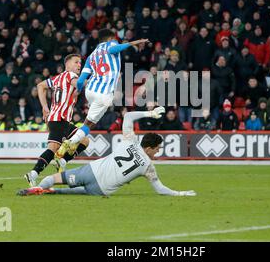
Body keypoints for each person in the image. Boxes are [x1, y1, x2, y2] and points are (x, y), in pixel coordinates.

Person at [17, 107, 196, 197]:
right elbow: (160, 189)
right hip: (100, 190)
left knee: (52, 179)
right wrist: (180, 194)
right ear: (149, 148)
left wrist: (150, 113)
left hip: (91, 171)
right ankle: (50, 191)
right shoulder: (148, 167)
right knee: (65, 191)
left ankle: (36, 188)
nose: (157, 152)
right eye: (157, 149)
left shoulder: (129, 140)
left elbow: (128, 116)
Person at [57, 29, 148, 156]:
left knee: (88, 122)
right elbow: (114, 49)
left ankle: (73, 142)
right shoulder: (110, 44)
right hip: (103, 93)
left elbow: (81, 79)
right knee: (90, 124)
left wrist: (77, 90)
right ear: (110, 38)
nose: (116, 40)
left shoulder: (92, 55)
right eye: (115, 38)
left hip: (90, 91)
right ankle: (70, 142)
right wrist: (134, 42)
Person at [24, 54, 89, 187]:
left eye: (80, 63)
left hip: (62, 120)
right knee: (53, 148)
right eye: (76, 62)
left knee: (84, 140)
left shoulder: (57, 78)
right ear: (68, 64)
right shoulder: (71, 76)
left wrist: (44, 107)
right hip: (58, 118)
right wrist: (97, 81)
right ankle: (33, 174)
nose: (79, 65)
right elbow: (79, 83)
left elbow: (40, 86)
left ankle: (63, 161)